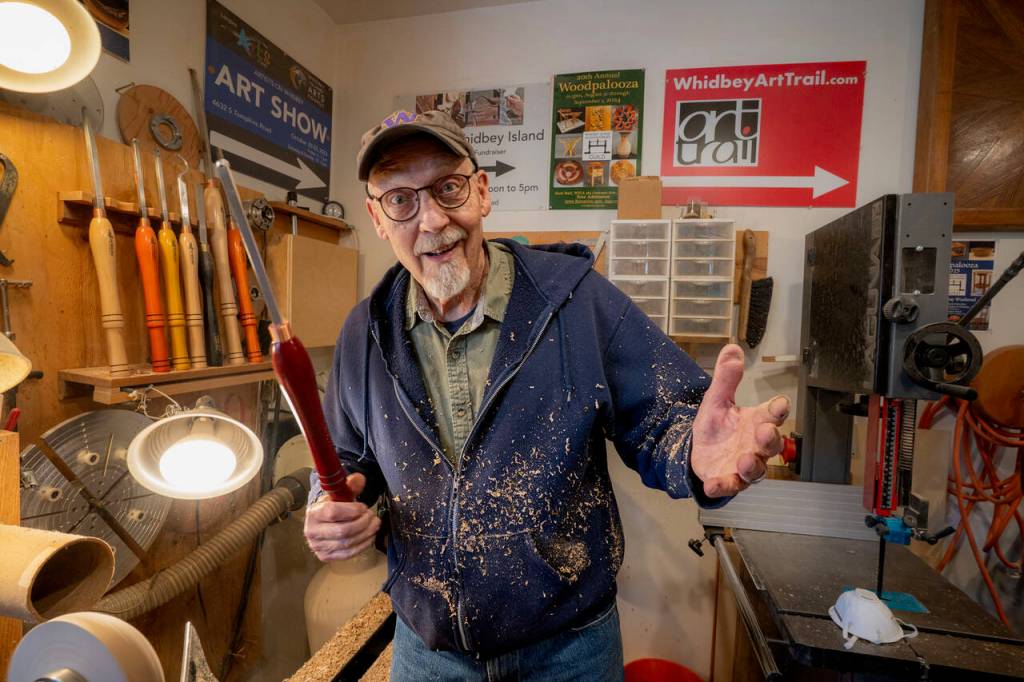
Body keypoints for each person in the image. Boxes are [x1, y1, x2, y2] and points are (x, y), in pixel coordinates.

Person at [304, 109, 789, 681]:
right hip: (427, 652)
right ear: (378, 219)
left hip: (567, 654)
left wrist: (692, 449)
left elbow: (668, 418)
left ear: (481, 192)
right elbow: (345, 459)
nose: (432, 220)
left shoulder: (576, 302)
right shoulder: (365, 333)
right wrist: (328, 505)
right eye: (401, 200)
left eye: (448, 187)